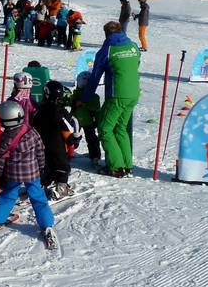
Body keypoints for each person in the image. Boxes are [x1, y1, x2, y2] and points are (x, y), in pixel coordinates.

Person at [0, 101, 57, 247]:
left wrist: (0, 175)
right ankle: (47, 224)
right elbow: (40, 151)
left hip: (13, 174)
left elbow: (1, 159)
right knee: (38, 198)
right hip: (32, 173)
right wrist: (42, 167)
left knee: (7, 196)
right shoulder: (32, 132)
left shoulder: (5, 138)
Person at [81, 20, 140, 178]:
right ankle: (127, 165)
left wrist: (84, 98)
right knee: (120, 128)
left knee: (105, 128)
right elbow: (136, 64)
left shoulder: (107, 50)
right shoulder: (133, 46)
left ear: (106, 33)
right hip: (134, 93)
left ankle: (116, 167)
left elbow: (95, 77)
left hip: (117, 95)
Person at [33, 81, 80, 199]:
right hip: (57, 145)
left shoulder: (39, 110)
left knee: (46, 164)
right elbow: (67, 128)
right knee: (61, 165)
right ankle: (61, 187)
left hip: (40, 144)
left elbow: (33, 125)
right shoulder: (60, 112)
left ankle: (43, 183)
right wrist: (73, 140)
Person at [71, 71, 102, 166]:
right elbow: (97, 110)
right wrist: (97, 121)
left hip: (76, 121)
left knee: (72, 137)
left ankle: (69, 151)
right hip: (89, 121)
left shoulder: (75, 95)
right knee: (92, 139)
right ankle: (95, 156)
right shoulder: (94, 97)